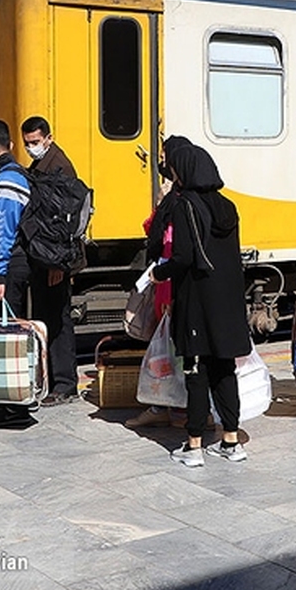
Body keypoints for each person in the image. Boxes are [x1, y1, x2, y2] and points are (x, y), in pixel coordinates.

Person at [151, 141, 249, 466]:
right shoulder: (227, 206)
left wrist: (158, 274)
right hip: (227, 300)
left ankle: (193, 446)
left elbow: (183, 258)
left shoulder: (185, 206)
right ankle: (231, 441)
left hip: (197, 298)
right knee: (225, 369)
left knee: (196, 369)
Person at [125, 135, 192, 430]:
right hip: (164, 277)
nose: (161, 160)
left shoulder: (180, 197)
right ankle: (167, 404)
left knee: (171, 345)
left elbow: (162, 233)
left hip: (171, 280)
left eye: (165, 155)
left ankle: (171, 406)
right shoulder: (175, 193)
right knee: (166, 343)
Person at [0, 119, 37, 428]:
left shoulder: (6, 179)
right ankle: (10, 404)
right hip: (20, 262)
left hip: (11, 265)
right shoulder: (18, 173)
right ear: (10, 145)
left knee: (7, 336)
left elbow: (4, 231)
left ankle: (13, 409)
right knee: (11, 333)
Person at [17, 115, 79, 406]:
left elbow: (60, 221)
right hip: (46, 257)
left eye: (36, 142)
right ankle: (56, 380)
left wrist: (57, 264)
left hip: (54, 259)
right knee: (48, 316)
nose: (31, 147)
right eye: (28, 143)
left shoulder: (58, 167)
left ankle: (65, 383)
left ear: (48, 138)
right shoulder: (46, 163)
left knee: (57, 319)